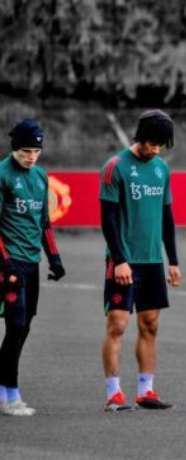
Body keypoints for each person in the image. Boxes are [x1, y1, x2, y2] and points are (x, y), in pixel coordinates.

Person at [100, 110, 180, 412]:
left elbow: (167, 217)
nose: (156, 150)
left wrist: (173, 260)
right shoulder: (115, 167)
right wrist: (120, 260)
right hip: (123, 260)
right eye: (152, 144)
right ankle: (114, 394)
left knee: (150, 324)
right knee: (118, 325)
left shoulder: (161, 169)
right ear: (140, 137)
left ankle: (146, 391)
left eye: (161, 145)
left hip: (152, 261)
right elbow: (107, 220)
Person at [0, 119, 65, 416]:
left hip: (31, 263)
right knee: (15, 326)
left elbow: (44, 223)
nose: (31, 157)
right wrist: (6, 263)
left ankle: (6, 390)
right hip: (8, 262)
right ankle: (10, 396)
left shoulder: (40, 176)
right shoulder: (3, 175)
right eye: (26, 151)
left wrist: (54, 258)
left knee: (24, 326)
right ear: (15, 148)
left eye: (36, 151)